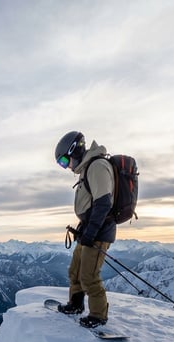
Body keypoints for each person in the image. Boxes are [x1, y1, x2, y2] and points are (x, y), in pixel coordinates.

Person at [54, 130, 116, 328]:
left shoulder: (97, 166)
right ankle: (76, 304)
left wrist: (91, 232)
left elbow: (103, 203)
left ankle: (98, 315)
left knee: (89, 275)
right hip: (88, 230)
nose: (65, 167)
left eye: (64, 161)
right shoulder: (86, 169)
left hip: (98, 232)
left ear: (75, 150)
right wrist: (84, 229)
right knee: (75, 271)